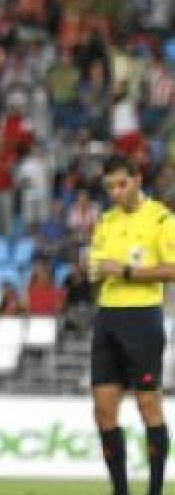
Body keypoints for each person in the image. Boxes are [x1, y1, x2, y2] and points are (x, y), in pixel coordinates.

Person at [88, 155, 175, 495]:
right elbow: (98, 267)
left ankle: (155, 491)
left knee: (148, 405)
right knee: (104, 411)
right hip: (107, 317)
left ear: (137, 180)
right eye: (110, 186)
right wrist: (94, 274)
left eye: (121, 184)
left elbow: (172, 268)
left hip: (143, 317)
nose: (115, 192)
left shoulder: (161, 219)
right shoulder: (105, 221)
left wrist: (124, 272)